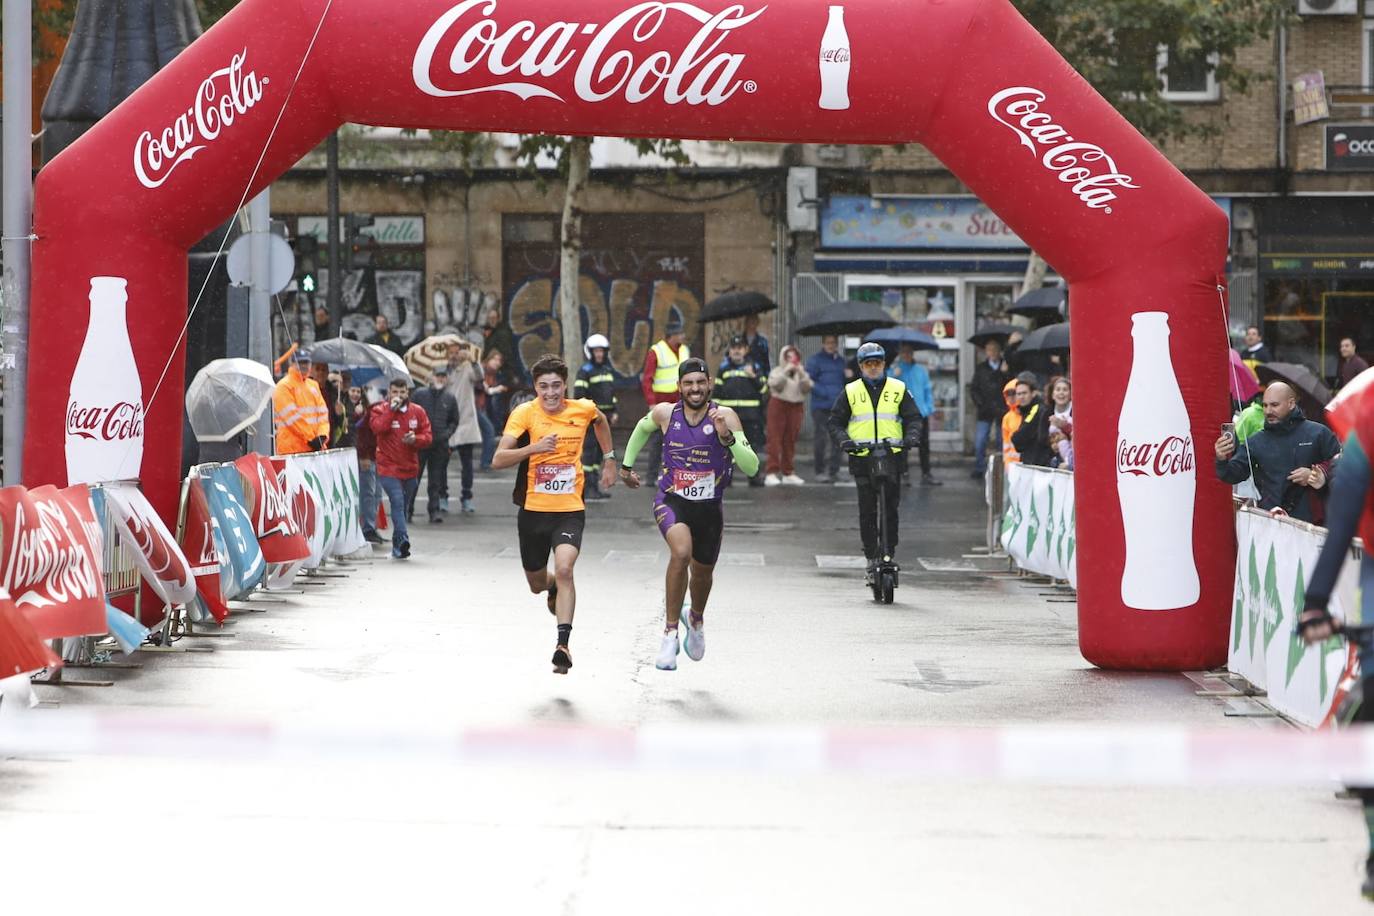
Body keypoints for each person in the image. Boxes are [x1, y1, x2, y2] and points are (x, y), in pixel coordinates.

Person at [619, 357, 760, 671]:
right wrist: (626, 467)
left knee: (703, 574)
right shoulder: (666, 414)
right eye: (688, 383)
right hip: (672, 500)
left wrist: (728, 438)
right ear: (679, 387)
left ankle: (694, 618)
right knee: (680, 553)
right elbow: (642, 429)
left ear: (709, 384)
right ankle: (670, 632)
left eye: (700, 382)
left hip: (710, 509)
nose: (695, 389)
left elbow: (752, 467)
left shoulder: (725, 416)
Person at [492, 354, 617, 675]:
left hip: (569, 510)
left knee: (565, 570)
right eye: (544, 386)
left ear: (566, 386)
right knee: (537, 583)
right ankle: (549, 590)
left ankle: (563, 645)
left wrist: (610, 460)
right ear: (535, 387)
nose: (550, 393)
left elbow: (600, 421)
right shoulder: (525, 414)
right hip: (533, 512)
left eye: (556, 386)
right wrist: (533, 448)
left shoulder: (582, 409)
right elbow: (499, 459)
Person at [1296, 397, 1374, 900]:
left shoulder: (1363, 430)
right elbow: (1341, 519)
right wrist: (1316, 602)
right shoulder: (1364, 439)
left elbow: (1341, 525)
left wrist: (1316, 604)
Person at [827, 342, 923, 583]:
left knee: (890, 508)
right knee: (867, 510)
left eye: (877, 363)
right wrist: (844, 441)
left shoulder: (898, 388)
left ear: (884, 364)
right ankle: (871, 556)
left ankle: (888, 553)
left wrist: (911, 437)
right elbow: (835, 422)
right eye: (868, 364)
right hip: (862, 457)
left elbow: (913, 418)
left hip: (891, 456)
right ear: (861, 366)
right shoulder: (851, 391)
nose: (873, 367)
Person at [1214, 381, 1340, 522]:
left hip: (1313, 527)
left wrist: (1319, 474)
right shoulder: (1256, 441)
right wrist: (1221, 458)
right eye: (1265, 405)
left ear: (1291, 404)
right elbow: (1232, 475)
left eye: (1274, 405)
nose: (1268, 411)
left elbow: (1343, 466)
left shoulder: (1318, 433)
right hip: (1270, 525)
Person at [369, 378, 434, 558]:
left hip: (410, 468)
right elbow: (378, 428)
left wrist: (416, 439)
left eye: (402, 392)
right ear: (389, 393)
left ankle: (398, 548)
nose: (398, 396)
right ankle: (404, 538)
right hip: (388, 467)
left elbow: (428, 436)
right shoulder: (379, 409)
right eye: (395, 392)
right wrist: (391, 410)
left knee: (403, 507)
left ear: (408, 393)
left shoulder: (417, 412)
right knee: (397, 502)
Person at [715, 335, 770, 486]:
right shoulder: (724, 368)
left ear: (746, 350)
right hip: (730, 417)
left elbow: (765, 390)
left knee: (750, 448)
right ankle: (727, 478)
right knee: (727, 448)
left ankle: (754, 477)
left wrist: (753, 376)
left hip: (751, 416)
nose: (736, 351)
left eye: (739, 348)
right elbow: (717, 393)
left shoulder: (755, 367)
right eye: (733, 348)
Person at [410, 366, 460, 524]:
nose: (440, 379)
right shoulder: (419, 394)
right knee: (414, 478)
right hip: (420, 443)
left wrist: (447, 434)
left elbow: (454, 420)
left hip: (440, 444)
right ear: (431, 376)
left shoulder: (450, 398)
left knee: (436, 480)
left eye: (443, 376)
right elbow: (410, 414)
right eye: (438, 375)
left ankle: (434, 510)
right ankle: (408, 509)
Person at [640, 320, 690, 479]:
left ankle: (675, 472)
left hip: (680, 400)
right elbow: (647, 379)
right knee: (657, 439)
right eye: (680, 333)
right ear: (672, 336)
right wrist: (651, 402)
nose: (683, 336)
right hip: (661, 401)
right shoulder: (656, 351)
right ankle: (651, 475)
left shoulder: (684, 351)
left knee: (679, 438)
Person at [888, 342, 940, 487]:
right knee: (903, 445)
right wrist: (894, 375)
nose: (906, 355)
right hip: (902, 414)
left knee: (924, 445)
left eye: (909, 352)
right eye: (904, 352)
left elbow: (927, 390)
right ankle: (903, 472)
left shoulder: (920, 371)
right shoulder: (895, 370)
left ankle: (926, 473)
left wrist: (930, 408)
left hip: (920, 412)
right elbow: (887, 387)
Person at [574, 333, 619, 500]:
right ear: (590, 352)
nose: (599, 354)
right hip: (592, 419)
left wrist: (614, 411)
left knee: (599, 455)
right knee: (589, 454)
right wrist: (590, 415)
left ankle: (595, 488)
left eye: (602, 351)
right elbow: (579, 395)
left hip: (606, 419)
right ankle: (587, 488)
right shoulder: (585, 371)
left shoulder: (607, 370)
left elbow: (611, 393)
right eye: (596, 351)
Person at [445, 341, 485, 513]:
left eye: (457, 352)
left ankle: (467, 497)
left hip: (466, 422)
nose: (454, 356)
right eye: (451, 353)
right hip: (447, 424)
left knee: (467, 464)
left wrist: (473, 361)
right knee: (441, 464)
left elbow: (480, 377)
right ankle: (442, 496)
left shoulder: (468, 368)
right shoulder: (441, 371)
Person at [805, 334, 850, 484]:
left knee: (838, 439)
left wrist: (848, 377)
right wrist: (823, 392)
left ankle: (834, 471)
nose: (831, 345)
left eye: (834, 343)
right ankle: (820, 471)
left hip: (838, 406)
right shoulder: (815, 360)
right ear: (823, 344)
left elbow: (845, 382)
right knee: (821, 439)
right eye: (828, 342)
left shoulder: (841, 362)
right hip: (821, 406)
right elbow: (808, 381)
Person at [765, 344, 811, 484]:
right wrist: (786, 372)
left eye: (794, 356)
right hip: (779, 404)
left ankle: (788, 471)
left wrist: (801, 374)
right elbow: (775, 385)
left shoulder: (800, 372)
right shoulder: (777, 371)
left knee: (790, 439)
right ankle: (771, 472)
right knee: (774, 438)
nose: (792, 359)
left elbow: (807, 388)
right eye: (788, 356)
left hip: (796, 406)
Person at [272, 348, 330, 455]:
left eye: (306, 362)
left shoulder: (313, 385)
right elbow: (292, 418)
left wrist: (322, 435)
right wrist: (312, 439)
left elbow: (323, 414)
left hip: (315, 448)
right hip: (291, 450)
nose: (304, 365)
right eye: (300, 362)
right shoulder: (284, 386)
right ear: (292, 364)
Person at [970, 339, 1012, 478]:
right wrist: (980, 403)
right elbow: (974, 388)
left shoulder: (1005, 366)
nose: (992, 353)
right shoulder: (982, 368)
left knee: (1002, 440)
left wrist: (1005, 373)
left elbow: (1011, 386)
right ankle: (979, 467)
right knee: (981, 439)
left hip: (1001, 408)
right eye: (989, 350)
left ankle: (1002, 468)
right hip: (985, 409)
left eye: (995, 350)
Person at [351, 387, 384, 545]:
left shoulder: (373, 408)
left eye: (358, 391)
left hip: (377, 457)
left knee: (376, 494)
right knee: (368, 494)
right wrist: (363, 455)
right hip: (367, 458)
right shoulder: (364, 412)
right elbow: (361, 434)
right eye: (353, 391)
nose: (356, 394)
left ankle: (371, 526)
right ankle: (368, 528)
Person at [1009, 373, 1055, 467]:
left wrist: (1016, 437)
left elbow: (1019, 438)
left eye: (1024, 393)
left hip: (1039, 464)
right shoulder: (1025, 410)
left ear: (1033, 393)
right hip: (1030, 463)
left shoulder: (1037, 408)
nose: (1021, 397)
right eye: (1019, 394)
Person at [481, 306, 518, 374]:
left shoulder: (502, 333)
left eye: (494, 318)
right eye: (490, 318)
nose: (491, 320)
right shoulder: (492, 332)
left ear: (498, 319)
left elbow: (503, 353)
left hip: (500, 370)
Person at [483, 350, 513, 433]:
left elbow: (505, 386)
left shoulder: (498, 374)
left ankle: (498, 427)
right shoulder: (481, 370)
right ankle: (496, 427)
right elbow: (486, 390)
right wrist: (498, 389)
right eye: (495, 359)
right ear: (489, 359)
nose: (497, 362)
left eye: (499, 360)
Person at [1000, 378, 1022, 466]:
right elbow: (1006, 444)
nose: (1011, 397)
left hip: (1027, 464)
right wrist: (1007, 464)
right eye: (1008, 394)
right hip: (1012, 465)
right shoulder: (1007, 417)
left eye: (1014, 393)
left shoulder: (1028, 414)